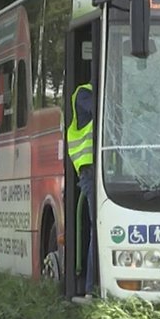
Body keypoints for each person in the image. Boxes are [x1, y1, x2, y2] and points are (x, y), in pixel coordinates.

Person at [67, 82, 95, 298]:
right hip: (90, 171)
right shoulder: (84, 93)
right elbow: (104, 109)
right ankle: (91, 288)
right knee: (99, 228)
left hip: (107, 171)